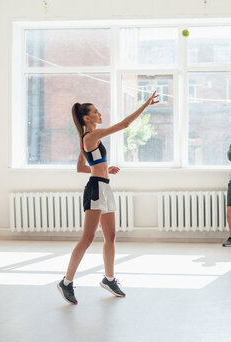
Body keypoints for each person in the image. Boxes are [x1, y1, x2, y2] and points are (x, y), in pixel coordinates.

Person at [57, 91, 160, 304]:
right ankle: (66, 282)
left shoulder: (86, 138)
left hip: (104, 186)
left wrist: (102, 169)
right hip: (95, 190)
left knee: (110, 237)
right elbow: (123, 125)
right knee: (86, 239)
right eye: (95, 111)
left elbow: (80, 167)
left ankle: (109, 278)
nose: (99, 113)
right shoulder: (90, 136)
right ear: (87, 118)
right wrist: (146, 105)